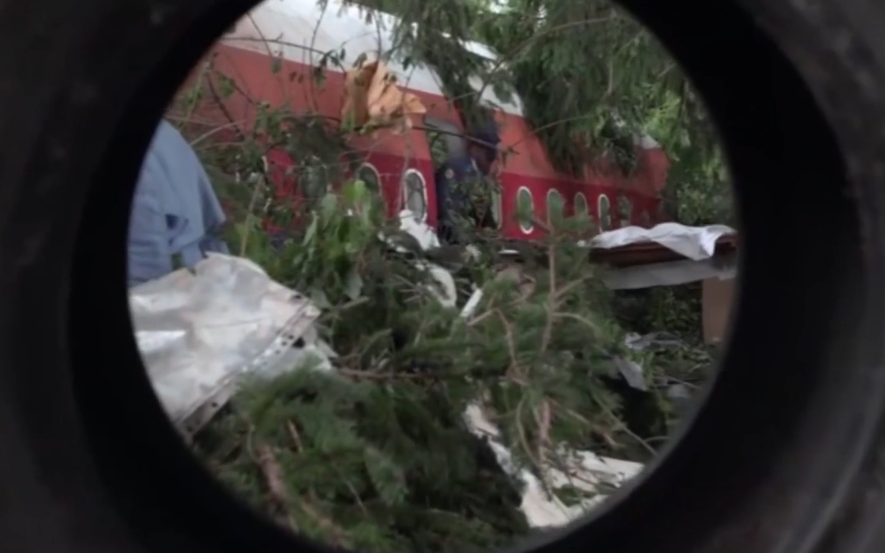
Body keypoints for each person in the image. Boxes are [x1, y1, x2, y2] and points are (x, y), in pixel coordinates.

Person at [127, 120, 230, 286]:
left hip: (173, 291)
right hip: (199, 282)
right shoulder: (164, 132)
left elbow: (145, 278)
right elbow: (213, 224)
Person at [433, 127, 500, 244]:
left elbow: (484, 215)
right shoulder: (457, 170)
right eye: (489, 156)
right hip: (453, 242)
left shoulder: (478, 178)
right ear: (475, 149)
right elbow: (448, 211)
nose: (491, 163)